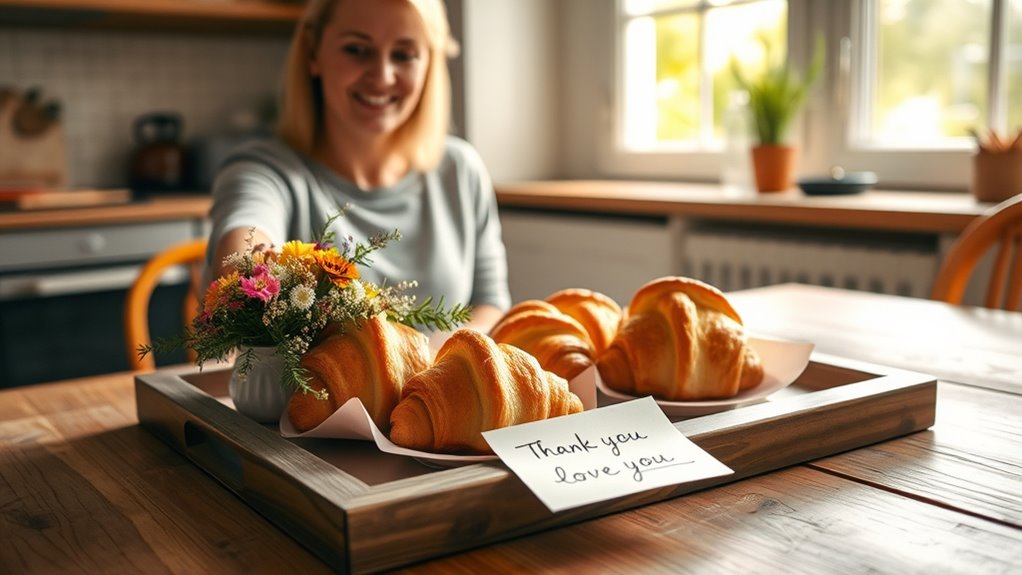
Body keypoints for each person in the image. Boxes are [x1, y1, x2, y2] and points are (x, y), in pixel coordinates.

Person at [206, 0, 511, 337]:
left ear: (429, 64)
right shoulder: (263, 170)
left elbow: (491, 305)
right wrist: (255, 266)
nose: (382, 76)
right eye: (357, 49)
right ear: (312, 53)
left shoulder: (461, 169)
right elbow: (240, 254)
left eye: (404, 54)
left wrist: (435, 363)